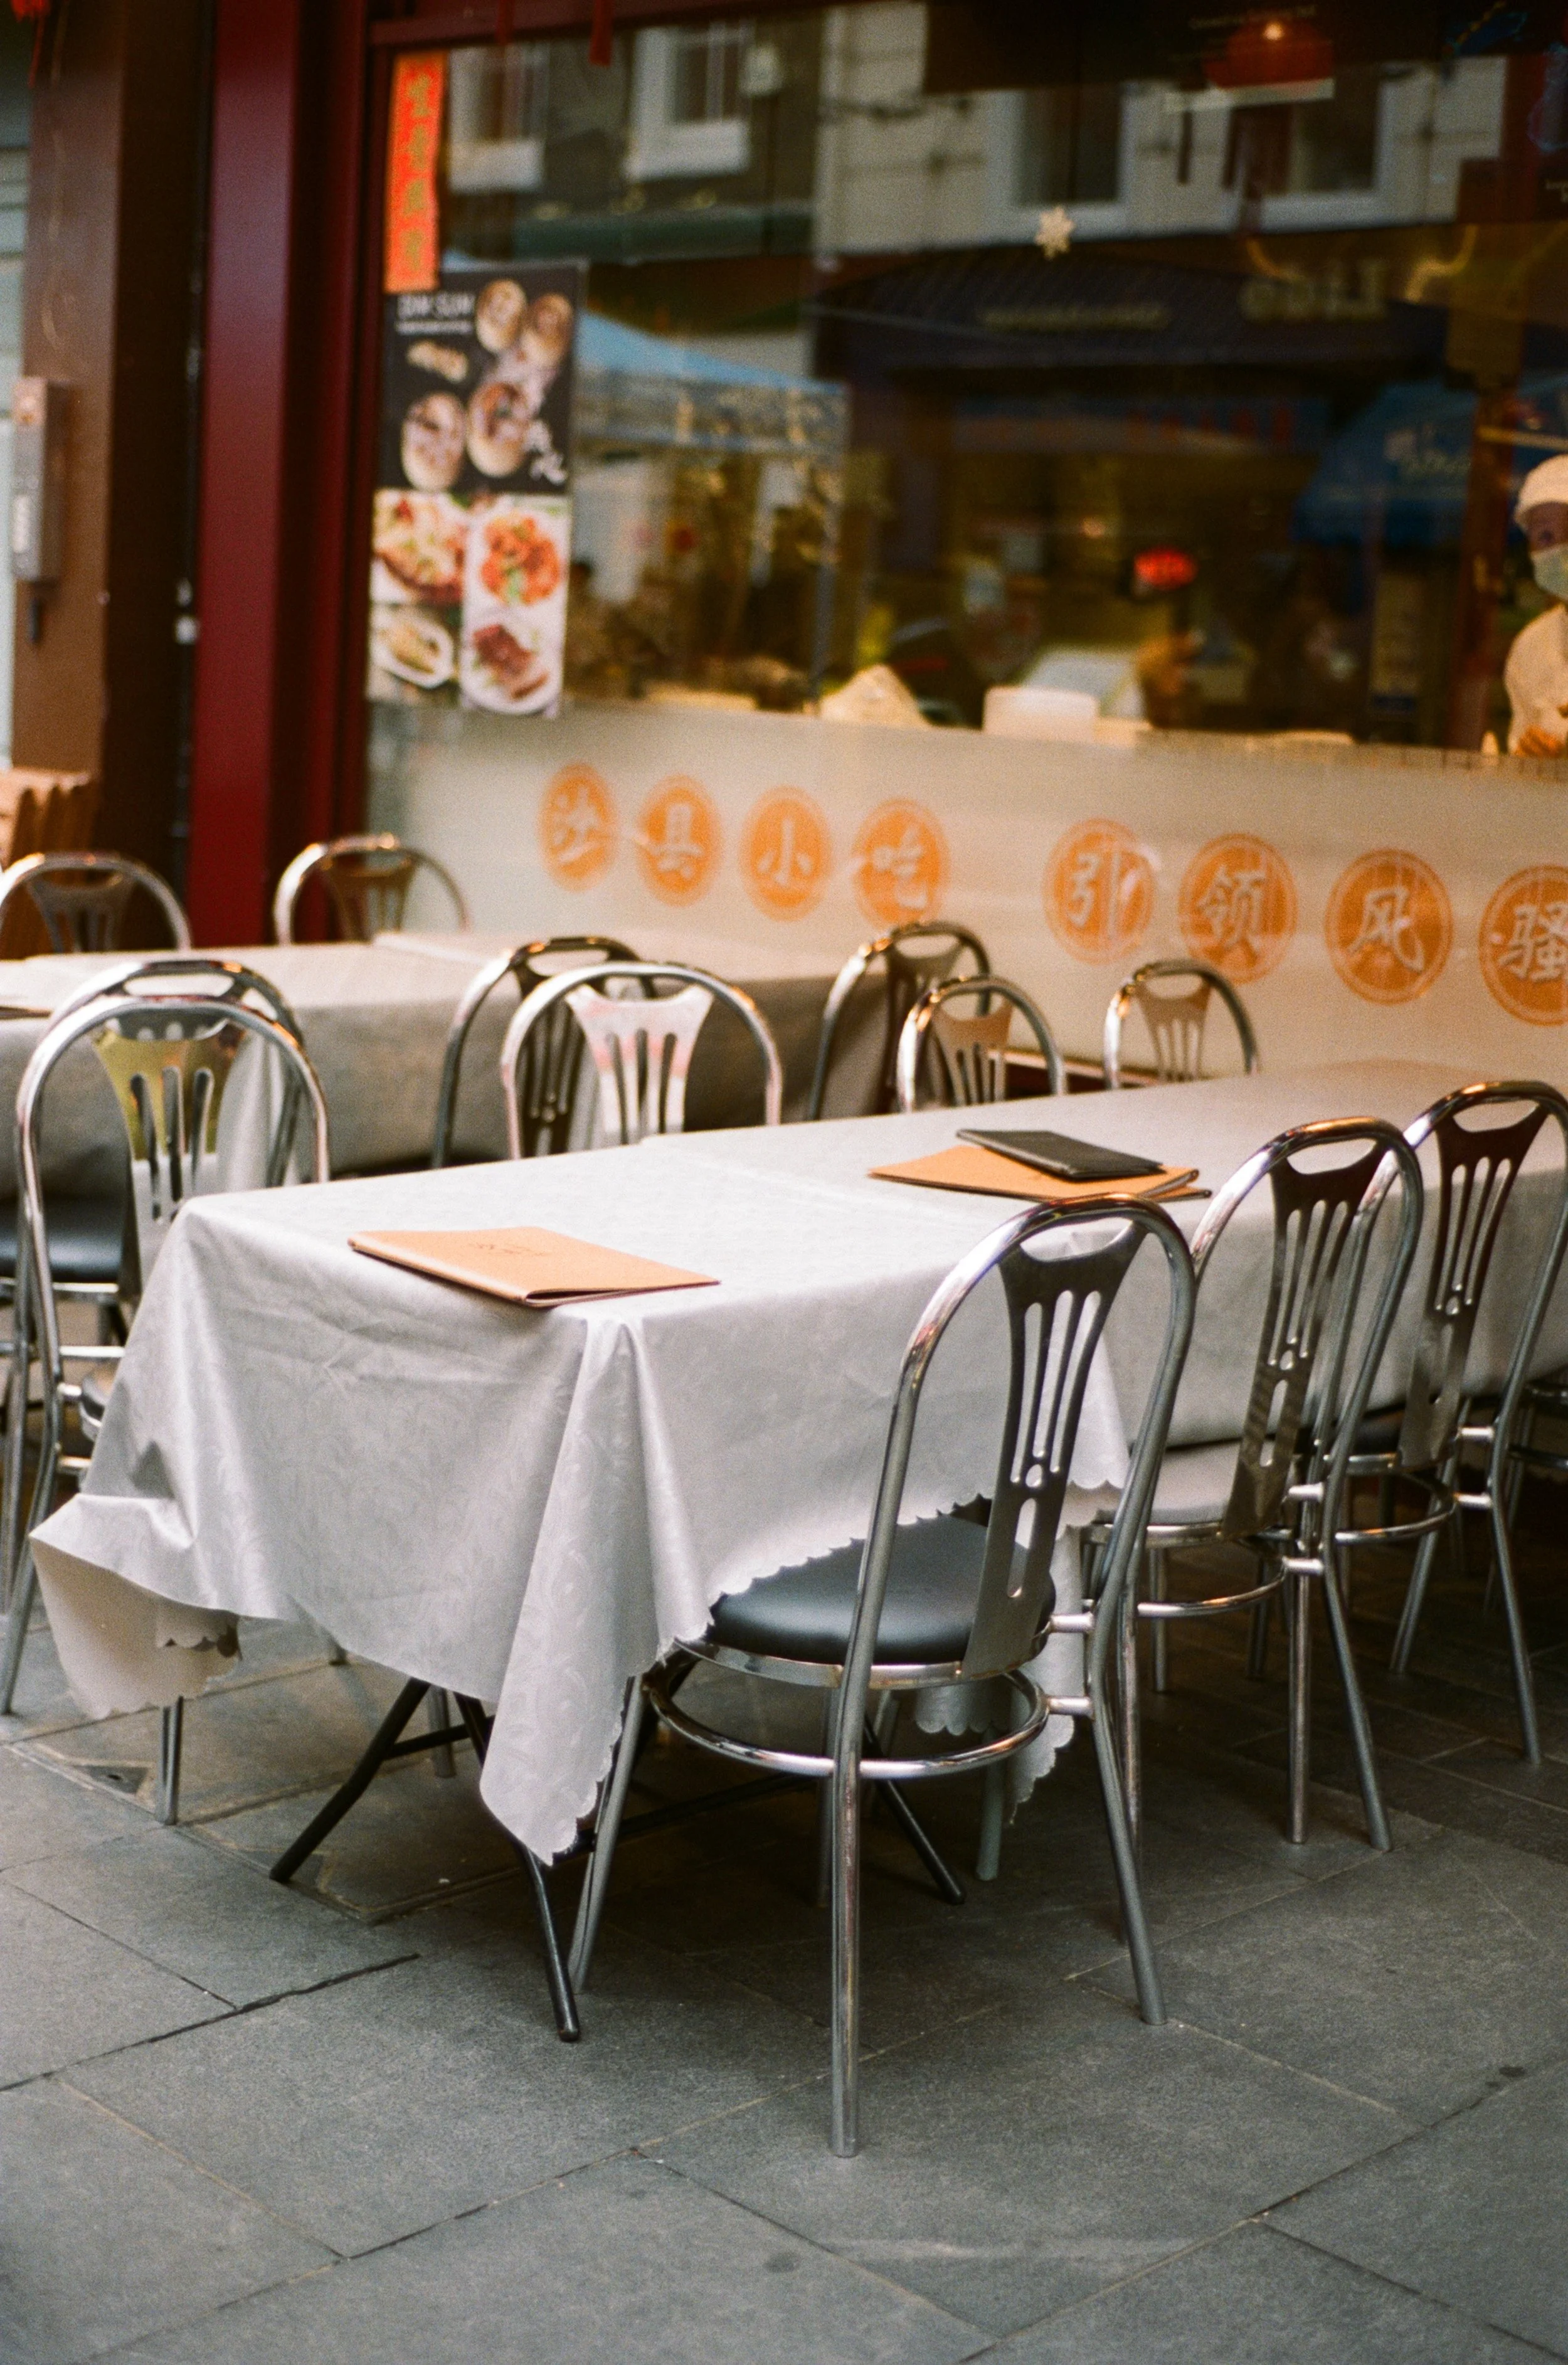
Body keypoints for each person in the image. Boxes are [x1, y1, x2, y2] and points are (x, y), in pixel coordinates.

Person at [1506, 454, 1568, 756]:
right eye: (1545, 536)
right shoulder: (1531, 647)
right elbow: (1519, 757)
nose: (1560, 547)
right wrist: (1529, 759)